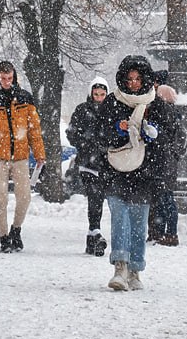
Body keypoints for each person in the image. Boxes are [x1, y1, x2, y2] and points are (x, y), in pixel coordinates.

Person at [96, 55, 177, 291]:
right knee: (120, 217)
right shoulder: (112, 102)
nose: (133, 84)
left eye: (138, 79)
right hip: (116, 171)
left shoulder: (156, 104)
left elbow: (169, 137)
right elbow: (99, 135)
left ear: (145, 79)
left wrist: (153, 134)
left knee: (139, 222)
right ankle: (120, 267)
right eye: (129, 79)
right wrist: (117, 130)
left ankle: (135, 270)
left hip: (145, 174)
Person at [0, 60, 46, 253]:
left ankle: (16, 229)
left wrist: (39, 154)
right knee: (0, 199)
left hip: (20, 157)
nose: (6, 82)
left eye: (9, 78)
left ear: (14, 77)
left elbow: (34, 129)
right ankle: (4, 237)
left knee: (25, 197)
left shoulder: (25, 99)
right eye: (3, 78)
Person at [66, 76, 110, 256]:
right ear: (90, 93)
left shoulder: (112, 110)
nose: (99, 98)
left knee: (101, 199)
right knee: (95, 198)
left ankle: (92, 237)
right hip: (87, 163)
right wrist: (87, 144)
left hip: (107, 164)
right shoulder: (82, 110)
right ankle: (95, 231)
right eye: (96, 94)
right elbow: (71, 133)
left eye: (102, 94)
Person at [150, 82, 187, 246]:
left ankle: (169, 233)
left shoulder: (164, 113)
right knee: (165, 199)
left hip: (162, 164)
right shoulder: (174, 115)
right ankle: (166, 233)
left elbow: (162, 138)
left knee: (165, 200)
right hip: (168, 165)